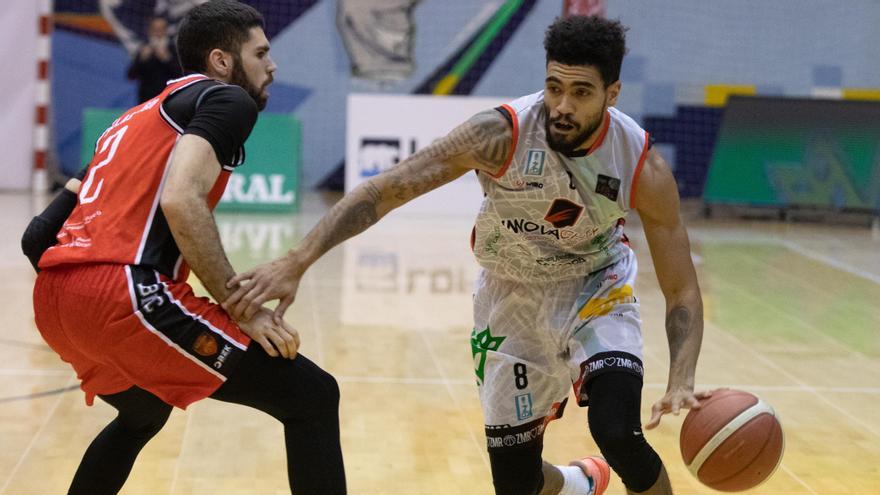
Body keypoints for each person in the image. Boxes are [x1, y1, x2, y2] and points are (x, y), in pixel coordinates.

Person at [224, 15, 711, 495]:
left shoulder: (641, 164)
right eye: (553, 87)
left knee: (618, 432)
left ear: (612, 93)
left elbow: (680, 287)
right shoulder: (500, 135)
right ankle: (580, 483)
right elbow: (384, 191)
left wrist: (681, 379)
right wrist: (297, 260)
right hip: (510, 297)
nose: (562, 105)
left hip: (595, 285)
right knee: (517, 482)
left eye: (581, 92)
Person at [23, 1, 345, 494]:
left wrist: (82, 295)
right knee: (313, 396)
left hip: (54, 301)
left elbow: (36, 239)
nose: (272, 65)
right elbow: (181, 197)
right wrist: (245, 310)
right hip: (126, 292)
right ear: (221, 60)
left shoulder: (130, 121)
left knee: (142, 413)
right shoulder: (226, 99)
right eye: (261, 53)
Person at [126, 16, 182, 103]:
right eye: (155, 29)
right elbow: (130, 76)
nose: (158, 33)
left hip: (168, 100)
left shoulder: (173, 49)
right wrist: (142, 59)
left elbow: (181, 75)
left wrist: (166, 59)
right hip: (146, 101)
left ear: (166, 30)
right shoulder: (144, 49)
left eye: (161, 29)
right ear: (150, 31)